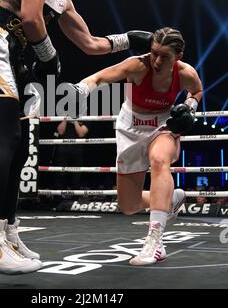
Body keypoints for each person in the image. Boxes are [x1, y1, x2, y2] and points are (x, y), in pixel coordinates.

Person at [0, 0, 148, 275]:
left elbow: (90, 44)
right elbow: (30, 17)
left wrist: (128, 39)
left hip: (11, 53)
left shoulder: (62, 0)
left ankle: (8, 234)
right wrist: (48, 55)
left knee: (18, 146)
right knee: (5, 138)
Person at [65, 27, 203, 266]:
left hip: (163, 124)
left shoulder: (186, 73)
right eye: (154, 53)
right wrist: (80, 90)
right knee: (128, 206)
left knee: (160, 160)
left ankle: (155, 242)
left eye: (165, 56)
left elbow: (197, 91)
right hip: (130, 127)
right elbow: (98, 77)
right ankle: (168, 200)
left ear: (178, 56)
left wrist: (190, 106)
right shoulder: (137, 65)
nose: (157, 61)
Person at [50, 120, 89, 189]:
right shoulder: (62, 116)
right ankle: (59, 198)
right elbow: (60, 131)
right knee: (60, 175)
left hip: (77, 152)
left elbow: (81, 133)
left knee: (76, 177)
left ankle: (75, 198)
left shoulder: (83, 117)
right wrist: (66, 118)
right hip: (62, 151)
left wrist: (75, 121)